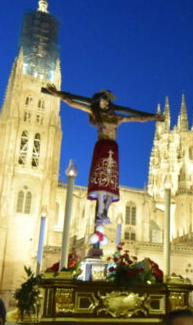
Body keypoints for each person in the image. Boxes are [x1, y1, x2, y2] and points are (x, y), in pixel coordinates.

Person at [43, 84, 162, 225]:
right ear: (98, 103)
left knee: (112, 182)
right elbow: (73, 102)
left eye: (106, 101)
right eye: (102, 100)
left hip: (113, 148)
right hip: (102, 147)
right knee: (101, 180)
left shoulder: (117, 118)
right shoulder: (96, 114)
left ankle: (104, 212)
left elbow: (136, 118)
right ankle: (100, 212)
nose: (104, 102)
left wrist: (154, 117)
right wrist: (57, 94)